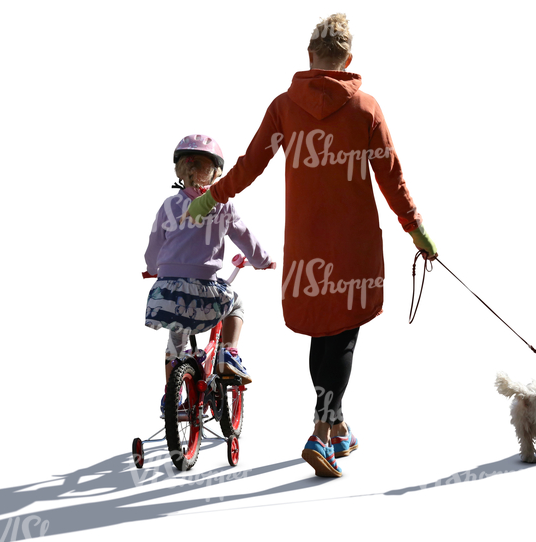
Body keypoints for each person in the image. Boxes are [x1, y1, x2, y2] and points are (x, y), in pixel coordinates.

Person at [181, 14, 437, 476]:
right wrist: (415, 228)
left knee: (325, 331)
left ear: (310, 56)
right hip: (354, 241)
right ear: (348, 61)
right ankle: (321, 433)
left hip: (306, 241)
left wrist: (210, 199)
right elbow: (390, 175)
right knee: (344, 333)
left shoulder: (284, 107)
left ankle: (336, 427)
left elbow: (249, 164)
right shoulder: (366, 108)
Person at [144, 134, 274, 416]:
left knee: (175, 341)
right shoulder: (223, 205)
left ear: (180, 170)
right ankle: (230, 352)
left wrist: (152, 269)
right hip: (205, 295)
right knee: (236, 303)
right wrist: (263, 261)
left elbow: (154, 247)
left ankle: (171, 397)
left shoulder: (167, 206)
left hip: (166, 295)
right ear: (216, 173)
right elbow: (246, 238)